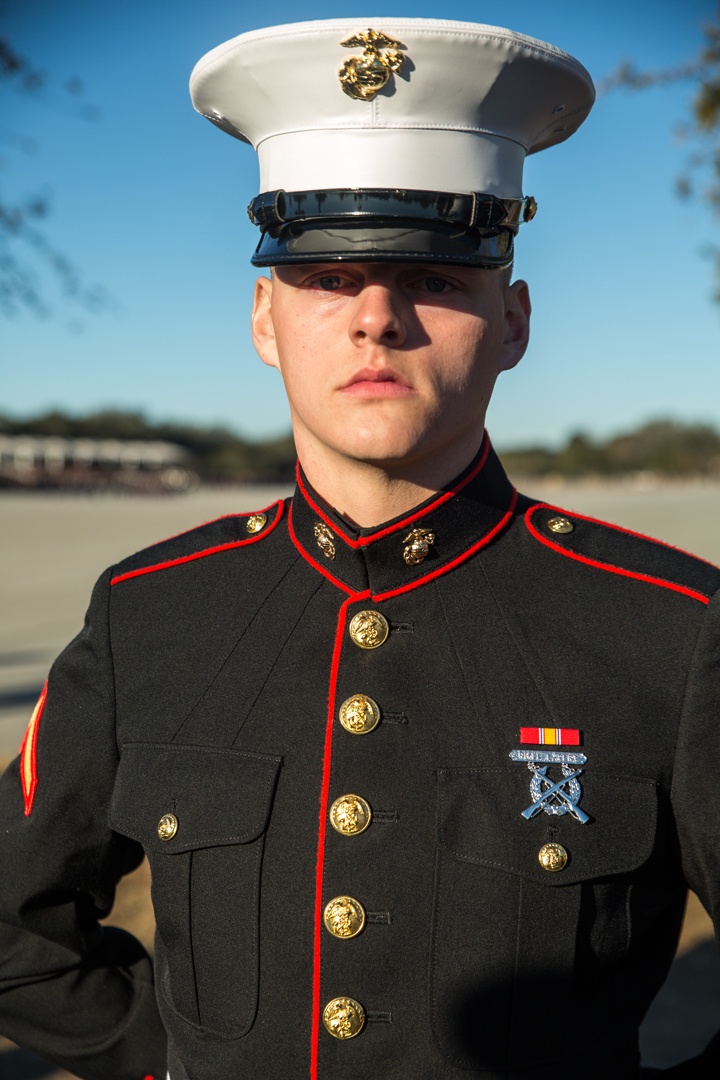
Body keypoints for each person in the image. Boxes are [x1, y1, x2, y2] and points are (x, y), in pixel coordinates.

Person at [1, 17, 719, 1080]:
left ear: (514, 322)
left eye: (438, 276)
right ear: (263, 317)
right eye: (327, 277)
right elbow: (16, 932)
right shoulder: (151, 612)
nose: (377, 316)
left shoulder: (672, 631)